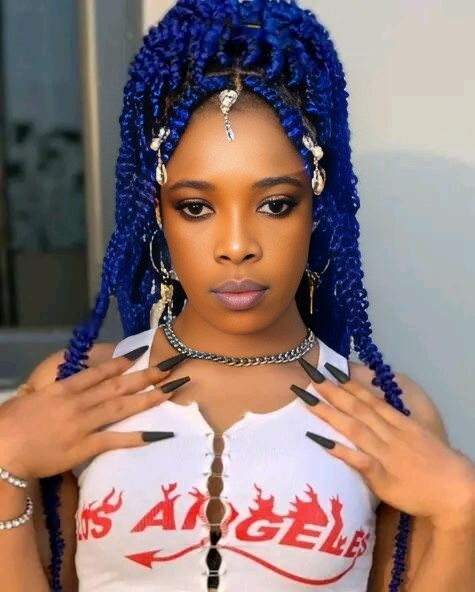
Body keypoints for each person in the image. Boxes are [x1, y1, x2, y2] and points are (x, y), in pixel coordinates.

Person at [0, 0, 474, 590]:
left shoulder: (388, 412)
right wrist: (5, 461)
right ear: (159, 212)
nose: (236, 246)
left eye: (275, 204)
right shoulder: (76, 391)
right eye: (196, 207)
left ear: (316, 207)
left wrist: (461, 512)